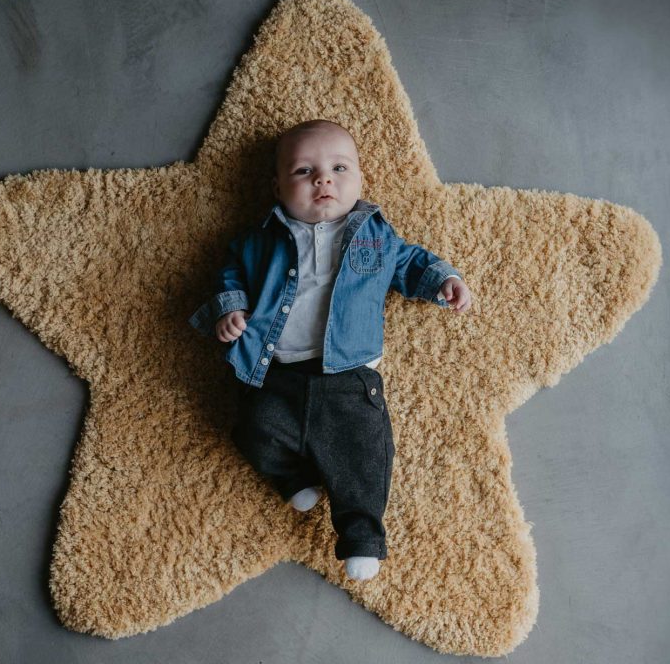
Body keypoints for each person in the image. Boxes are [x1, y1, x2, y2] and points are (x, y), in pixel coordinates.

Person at [188, 119, 473, 580]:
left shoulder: (375, 235)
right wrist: (230, 309)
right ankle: (292, 477)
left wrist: (443, 279)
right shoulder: (259, 240)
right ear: (277, 186)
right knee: (252, 428)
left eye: (339, 168)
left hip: (350, 375)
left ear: (360, 180)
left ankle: (361, 536)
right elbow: (231, 274)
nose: (324, 180)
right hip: (278, 372)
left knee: (363, 455)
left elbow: (409, 261)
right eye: (304, 172)